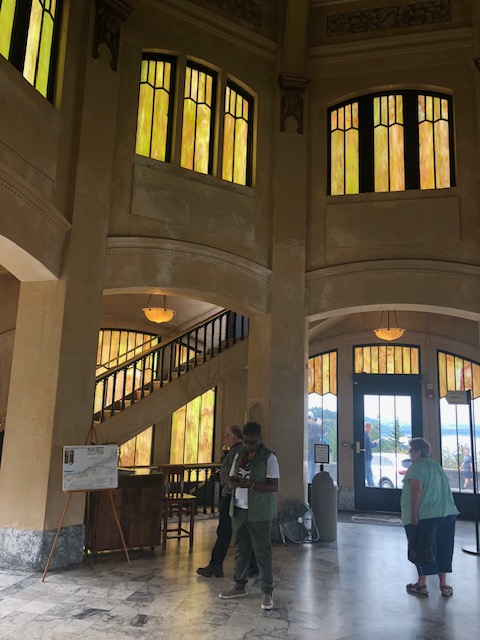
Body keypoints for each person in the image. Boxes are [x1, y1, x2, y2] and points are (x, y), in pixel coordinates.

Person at [219, 421, 279, 610]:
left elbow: (274, 486)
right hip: (239, 509)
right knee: (241, 549)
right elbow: (231, 476)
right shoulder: (239, 455)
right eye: (245, 441)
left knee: (262, 552)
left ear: (260, 439)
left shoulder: (269, 458)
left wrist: (252, 485)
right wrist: (231, 481)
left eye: (252, 442)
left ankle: (267, 592)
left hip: (259, 512)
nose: (248, 445)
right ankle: (239, 585)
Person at [401, 437, 459, 597]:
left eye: (411, 450)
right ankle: (444, 585)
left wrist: (413, 513)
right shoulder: (436, 466)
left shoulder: (416, 467)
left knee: (422, 548)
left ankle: (421, 585)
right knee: (443, 548)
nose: (410, 453)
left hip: (427, 515)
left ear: (418, 451)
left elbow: (417, 489)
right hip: (447, 513)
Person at [196, 425, 244, 577]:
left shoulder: (237, 452)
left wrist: (226, 490)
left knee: (225, 531)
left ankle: (216, 565)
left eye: (227, 435)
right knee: (232, 531)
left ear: (234, 437)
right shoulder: (235, 451)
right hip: (231, 496)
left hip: (231, 497)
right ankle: (250, 566)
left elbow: (232, 476)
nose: (225, 438)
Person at [364, 422, 378, 487]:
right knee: (367, 473)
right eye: (370, 427)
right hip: (367, 457)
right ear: (367, 427)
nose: (371, 429)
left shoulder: (365, 435)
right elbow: (368, 446)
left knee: (369, 473)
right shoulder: (365, 435)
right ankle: (371, 486)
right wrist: (375, 443)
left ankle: (371, 485)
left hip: (366, 457)